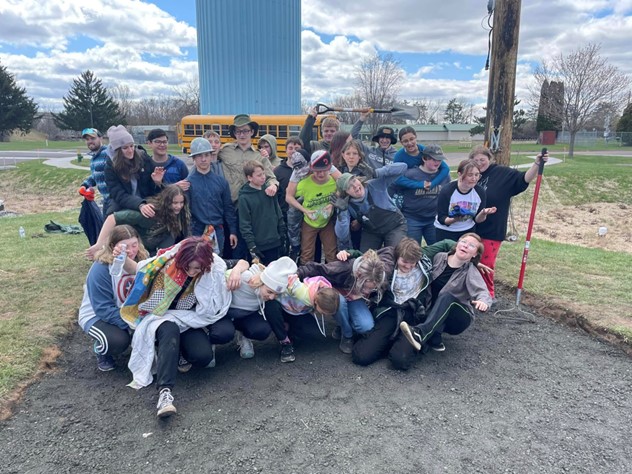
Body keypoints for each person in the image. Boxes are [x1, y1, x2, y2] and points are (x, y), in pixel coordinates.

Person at [122, 236, 248, 418]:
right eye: (187, 266)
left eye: (197, 268)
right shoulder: (166, 264)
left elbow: (243, 262)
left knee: (203, 357)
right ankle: (165, 392)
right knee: (169, 330)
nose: (191, 271)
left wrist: (236, 271)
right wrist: (120, 257)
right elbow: (139, 268)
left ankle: (180, 350)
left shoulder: (213, 265)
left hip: (188, 318)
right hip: (161, 315)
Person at [351, 237, 455, 369]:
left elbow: (446, 243)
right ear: (397, 256)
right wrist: (350, 253)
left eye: (413, 263)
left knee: (400, 361)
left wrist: (471, 255)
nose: (408, 266)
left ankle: (401, 344)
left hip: (413, 312)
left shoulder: (424, 256)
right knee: (361, 356)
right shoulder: (388, 264)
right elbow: (366, 258)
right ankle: (390, 342)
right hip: (392, 310)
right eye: (404, 261)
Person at [470, 146, 549, 299]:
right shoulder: (471, 174)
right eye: (476, 160)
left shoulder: (501, 173)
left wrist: (537, 164)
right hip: (470, 229)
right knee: (470, 262)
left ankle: (488, 295)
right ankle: (471, 292)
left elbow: (523, 179)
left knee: (486, 264)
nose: (479, 163)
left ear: (490, 159)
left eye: (482, 160)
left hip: (492, 229)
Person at [399, 233, 492, 360]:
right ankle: (434, 337)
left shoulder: (470, 270)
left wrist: (483, 301)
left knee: (447, 297)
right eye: (463, 242)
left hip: (458, 318)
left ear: (475, 254)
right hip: (433, 312)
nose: (465, 246)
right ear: (457, 244)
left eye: (471, 246)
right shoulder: (439, 258)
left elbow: (482, 291)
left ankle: (421, 333)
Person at [78, 224, 148, 371]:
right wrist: (132, 324)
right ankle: (101, 349)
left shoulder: (142, 261)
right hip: (98, 315)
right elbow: (102, 308)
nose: (131, 251)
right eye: (125, 246)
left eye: (134, 245)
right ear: (112, 246)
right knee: (117, 341)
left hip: (128, 312)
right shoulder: (101, 268)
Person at [298, 248, 394, 353]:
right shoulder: (344, 267)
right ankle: (347, 334)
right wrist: (296, 274)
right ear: (358, 274)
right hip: (338, 295)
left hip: (356, 299)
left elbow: (390, 250)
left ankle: (345, 323)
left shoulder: (382, 272)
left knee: (366, 327)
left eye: (372, 288)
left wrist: (352, 253)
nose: (367, 291)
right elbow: (316, 268)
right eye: (365, 287)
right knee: (338, 301)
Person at [218, 114, 279, 258]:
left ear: (252, 132)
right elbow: (208, 156)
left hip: (254, 210)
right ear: (234, 133)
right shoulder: (224, 151)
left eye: (245, 131)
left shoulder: (259, 156)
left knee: (255, 250)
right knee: (234, 250)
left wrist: (273, 186)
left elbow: (271, 177)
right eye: (238, 131)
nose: (242, 134)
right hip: (232, 208)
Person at [87, 185, 190, 258]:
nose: (179, 206)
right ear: (166, 202)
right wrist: (99, 244)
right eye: (174, 203)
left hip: (156, 245)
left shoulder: (181, 214)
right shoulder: (149, 213)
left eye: (181, 203)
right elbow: (112, 218)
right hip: (137, 246)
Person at [226, 257, 297, 361]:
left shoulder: (270, 291)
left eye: (276, 294)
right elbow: (241, 263)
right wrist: (236, 271)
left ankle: (243, 335)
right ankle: (211, 342)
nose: (271, 297)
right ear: (262, 282)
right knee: (222, 332)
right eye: (269, 292)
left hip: (245, 315)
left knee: (262, 330)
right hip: (225, 313)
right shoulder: (245, 278)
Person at [333, 162, 408, 252]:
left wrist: (376, 172)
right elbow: (342, 235)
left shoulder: (374, 184)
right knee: (365, 258)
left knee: (394, 253)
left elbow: (403, 167)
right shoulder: (346, 205)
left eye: (354, 181)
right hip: (372, 232)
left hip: (395, 226)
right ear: (345, 193)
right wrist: (341, 213)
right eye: (349, 187)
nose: (355, 186)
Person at [186, 137, 237, 256]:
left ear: (211, 156)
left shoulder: (221, 182)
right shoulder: (188, 184)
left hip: (217, 231)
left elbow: (228, 208)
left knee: (217, 261)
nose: (203, 159)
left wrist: (233, 231)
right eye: (199, 156)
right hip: (196, 231)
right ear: (194, 158)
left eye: (206, 155)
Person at [392, 144, 451, 245]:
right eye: (434, 159)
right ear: (424, 158)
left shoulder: (444, 176)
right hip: (412, 218)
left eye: (439, 159)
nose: (437, 162)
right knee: (413, 249)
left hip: (434, 218)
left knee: (437, 248)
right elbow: (395, 187)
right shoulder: (411, 174)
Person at [289, 150, 338, 265]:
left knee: (331, 252)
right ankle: (306, 274)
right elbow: (289, 196)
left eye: (324, 171)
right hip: (309, 222)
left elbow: (343, 186)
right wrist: (305, 211)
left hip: (326, 221)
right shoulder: (304, 183)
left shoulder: (333, 181)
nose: (321, 174)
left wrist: (332, 204)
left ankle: (333, 273)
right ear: (311, 168)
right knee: (307, 253)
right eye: (317, 171)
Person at [103, 125, 162, 217]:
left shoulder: (143, 158)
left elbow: (153, 190)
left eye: (131, 146)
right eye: (125, 148)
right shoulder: (110, 167)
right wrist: (140, 205)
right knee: (111, 216)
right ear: (117, 150)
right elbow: (118, 194)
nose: (130, 150)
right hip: (123, 202)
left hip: (146, 199)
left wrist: (158, 183)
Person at [434, 160, 496, 242]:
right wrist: (455, 219)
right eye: (470, 175)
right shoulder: (447, 191)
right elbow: (442, 219)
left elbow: (477, 220)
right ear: (460, 174)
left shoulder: (480, 191)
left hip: (468, 231)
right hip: (445, 231)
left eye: (477, 175)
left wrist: (483, 213)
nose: (474, 178)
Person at [238, 160, 286, 264]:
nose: (263, 177)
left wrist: (282, 232)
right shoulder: (244, 198)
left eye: (263, 174)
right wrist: (252, 246)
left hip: (274, 241)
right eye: (259, 175)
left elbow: (278, 212)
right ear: (249, 178)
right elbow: (245, 224)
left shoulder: (269, 190)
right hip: (258, 244)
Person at [273, 136, 302, 235]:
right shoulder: (278, 171)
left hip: (303, 213)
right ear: (285, 150)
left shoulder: (305, 170)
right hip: (284, 212)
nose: (293, 151)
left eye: (297, 148)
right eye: (290, 148)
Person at [79, 128, 110, 214]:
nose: (90, 141)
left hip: (116, 200)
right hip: (106, 200)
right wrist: (85, 185)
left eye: (93, 138)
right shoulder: (94, 158)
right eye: (87, 139)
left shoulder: (108, 153)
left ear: (101, 138)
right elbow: (95, 175)